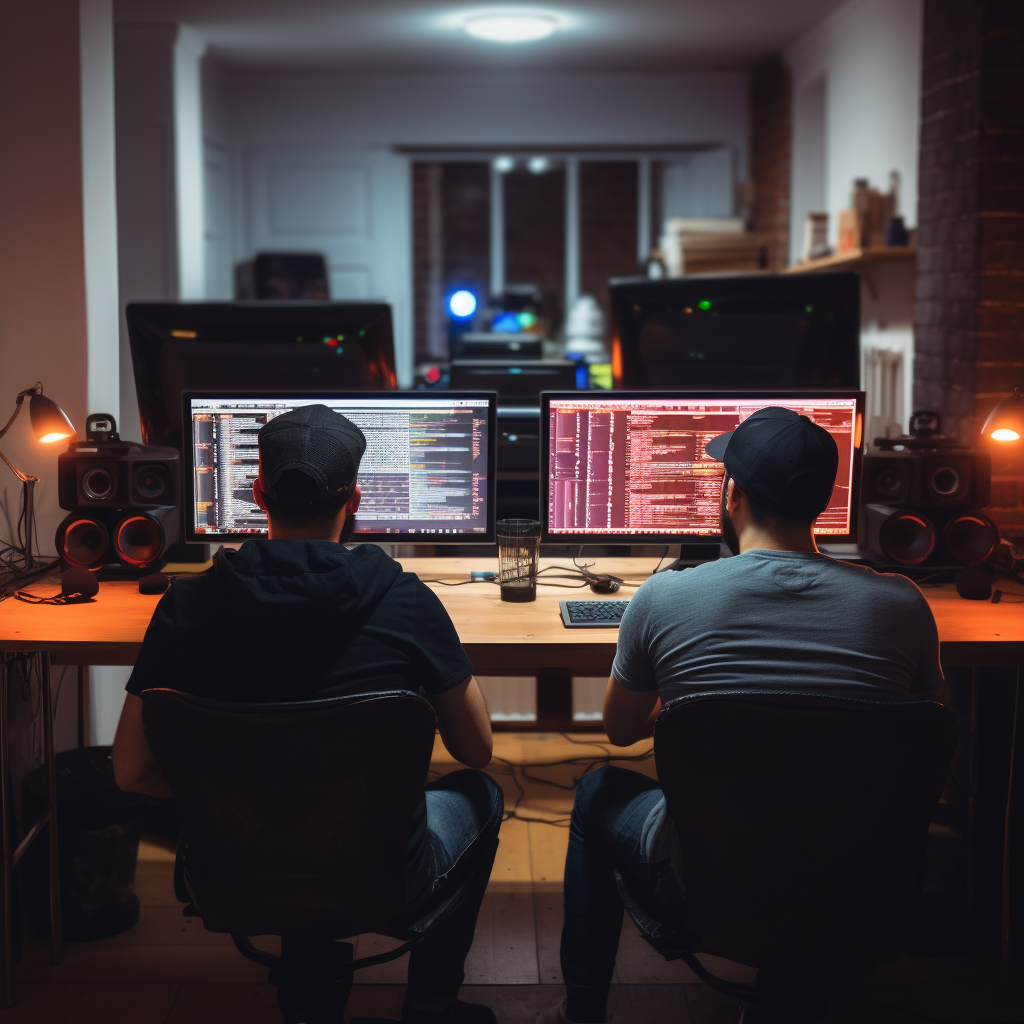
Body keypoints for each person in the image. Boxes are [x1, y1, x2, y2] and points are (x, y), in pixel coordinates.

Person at [546, 406, 945, 1024]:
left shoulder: (664, 598)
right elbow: (921, 733)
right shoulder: (904, 606)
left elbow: (620, 732)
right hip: (855, 883)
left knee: (598, 790)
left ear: (731, 496)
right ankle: (796, 988)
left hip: (708, 884)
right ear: (824, 500)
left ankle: (584, 1013)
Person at [112, 404, 503, 1024]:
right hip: (382, 874)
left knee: (294, 809)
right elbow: (476, 750)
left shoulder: (186, 607)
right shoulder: (405, 601)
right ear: (355, 500)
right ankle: (430, 1001)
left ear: (258, 492)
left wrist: (232, 795)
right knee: (480, 791)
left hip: (230, 868)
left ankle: (310, 1002)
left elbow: (130, 772)